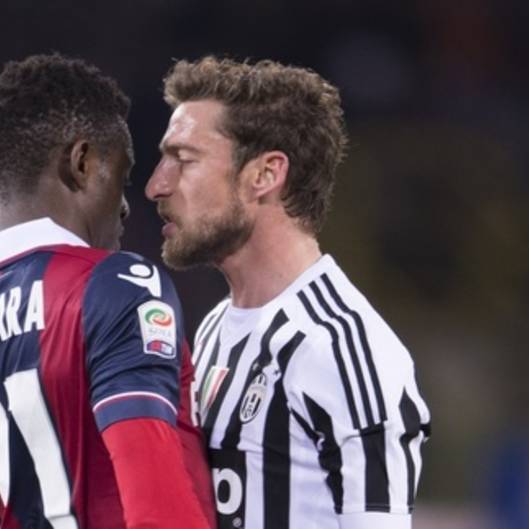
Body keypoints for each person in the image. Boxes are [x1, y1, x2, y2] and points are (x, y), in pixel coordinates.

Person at [0, 54, 215, 529]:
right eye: (121, 177)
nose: (125, 206)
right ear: (82, 162)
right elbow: (160, 515)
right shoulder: (117, 288)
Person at [145, 56, 431, 529]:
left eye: (185, 160)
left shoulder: (339, 348)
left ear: (265, 174)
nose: (157, 185)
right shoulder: (216, 327)